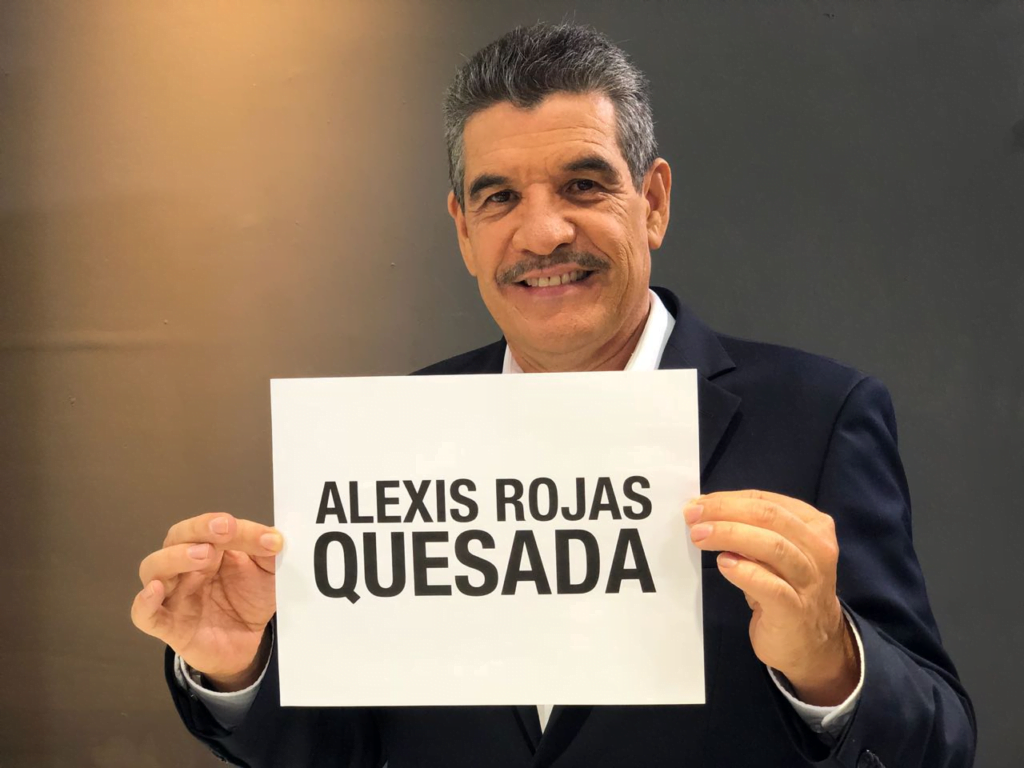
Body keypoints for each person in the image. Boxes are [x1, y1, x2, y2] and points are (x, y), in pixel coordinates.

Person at [131, 23, 976, 768]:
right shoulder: (395, 437)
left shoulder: (819, 417)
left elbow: (939, 745)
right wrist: (238, 668)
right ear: (465, 232)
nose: (542, 233)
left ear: (652, 203)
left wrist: (831, 662)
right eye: (500, 197)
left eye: (582, 185)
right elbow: (338, 748)